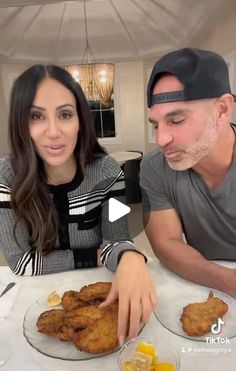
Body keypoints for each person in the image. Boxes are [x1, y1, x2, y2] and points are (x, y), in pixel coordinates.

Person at [0, 64, 157, 343]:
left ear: (81, 120)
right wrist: (96, 255)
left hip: (99, 298)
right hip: (33, 303)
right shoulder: (5, 179)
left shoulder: (109, 173)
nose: (53, 131)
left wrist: (129, 256)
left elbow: (116, 239)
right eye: (36, 116)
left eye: (65, 114)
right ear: (21, 124)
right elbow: (20, 263)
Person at [140, 47, 236, 296]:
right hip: (205, 287)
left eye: (177, 120)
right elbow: (166, 243)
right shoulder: (154, 167)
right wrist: (226, 280)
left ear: (222, 109)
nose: (161, 139)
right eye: (156, 124)